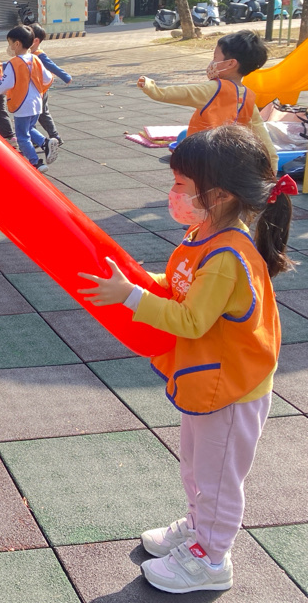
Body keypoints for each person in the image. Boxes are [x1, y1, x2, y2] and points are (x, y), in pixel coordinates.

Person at [79, 125, 294, 595]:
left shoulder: (227, 255)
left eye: (180, 184)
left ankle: (213, 560)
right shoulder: (205, 233)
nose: (172, 192)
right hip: (211, 379)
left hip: (232, 390)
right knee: (196, 468)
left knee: (218, 481)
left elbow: (192, 319)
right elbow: (182, 285)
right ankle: (199, 530)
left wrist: (131, 296)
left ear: (218, 195)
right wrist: (142, 280)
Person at [137, 30, 278, 173]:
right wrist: (272, 167)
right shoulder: (249, 97)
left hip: (201, 158)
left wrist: (151, 88)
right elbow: (263, 138)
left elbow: (181, 93)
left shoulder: (214, 89)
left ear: (230, 63)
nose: (212, 63)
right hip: (231, 163)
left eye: (215, 58)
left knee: (194, 184)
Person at [0, 25, 59, 173]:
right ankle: (45, 143)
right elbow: (48, 78)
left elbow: (5, 84)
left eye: (9, 43)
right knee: (29, 128)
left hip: (22, 104)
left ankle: (36, 162)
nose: (9, 47)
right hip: (36, 103)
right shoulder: (35, 59)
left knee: (22, 136)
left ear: (17, 44)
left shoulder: (14, 63)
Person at [30, 24, 71, 144]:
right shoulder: (28, 54)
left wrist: (66, 77)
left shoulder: (39, 55)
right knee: (35, 114)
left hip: (40, 90)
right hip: (34, 89)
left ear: (35, 41)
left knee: (39, 114)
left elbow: (52, 66)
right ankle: (36, 138)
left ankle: (53, 137)